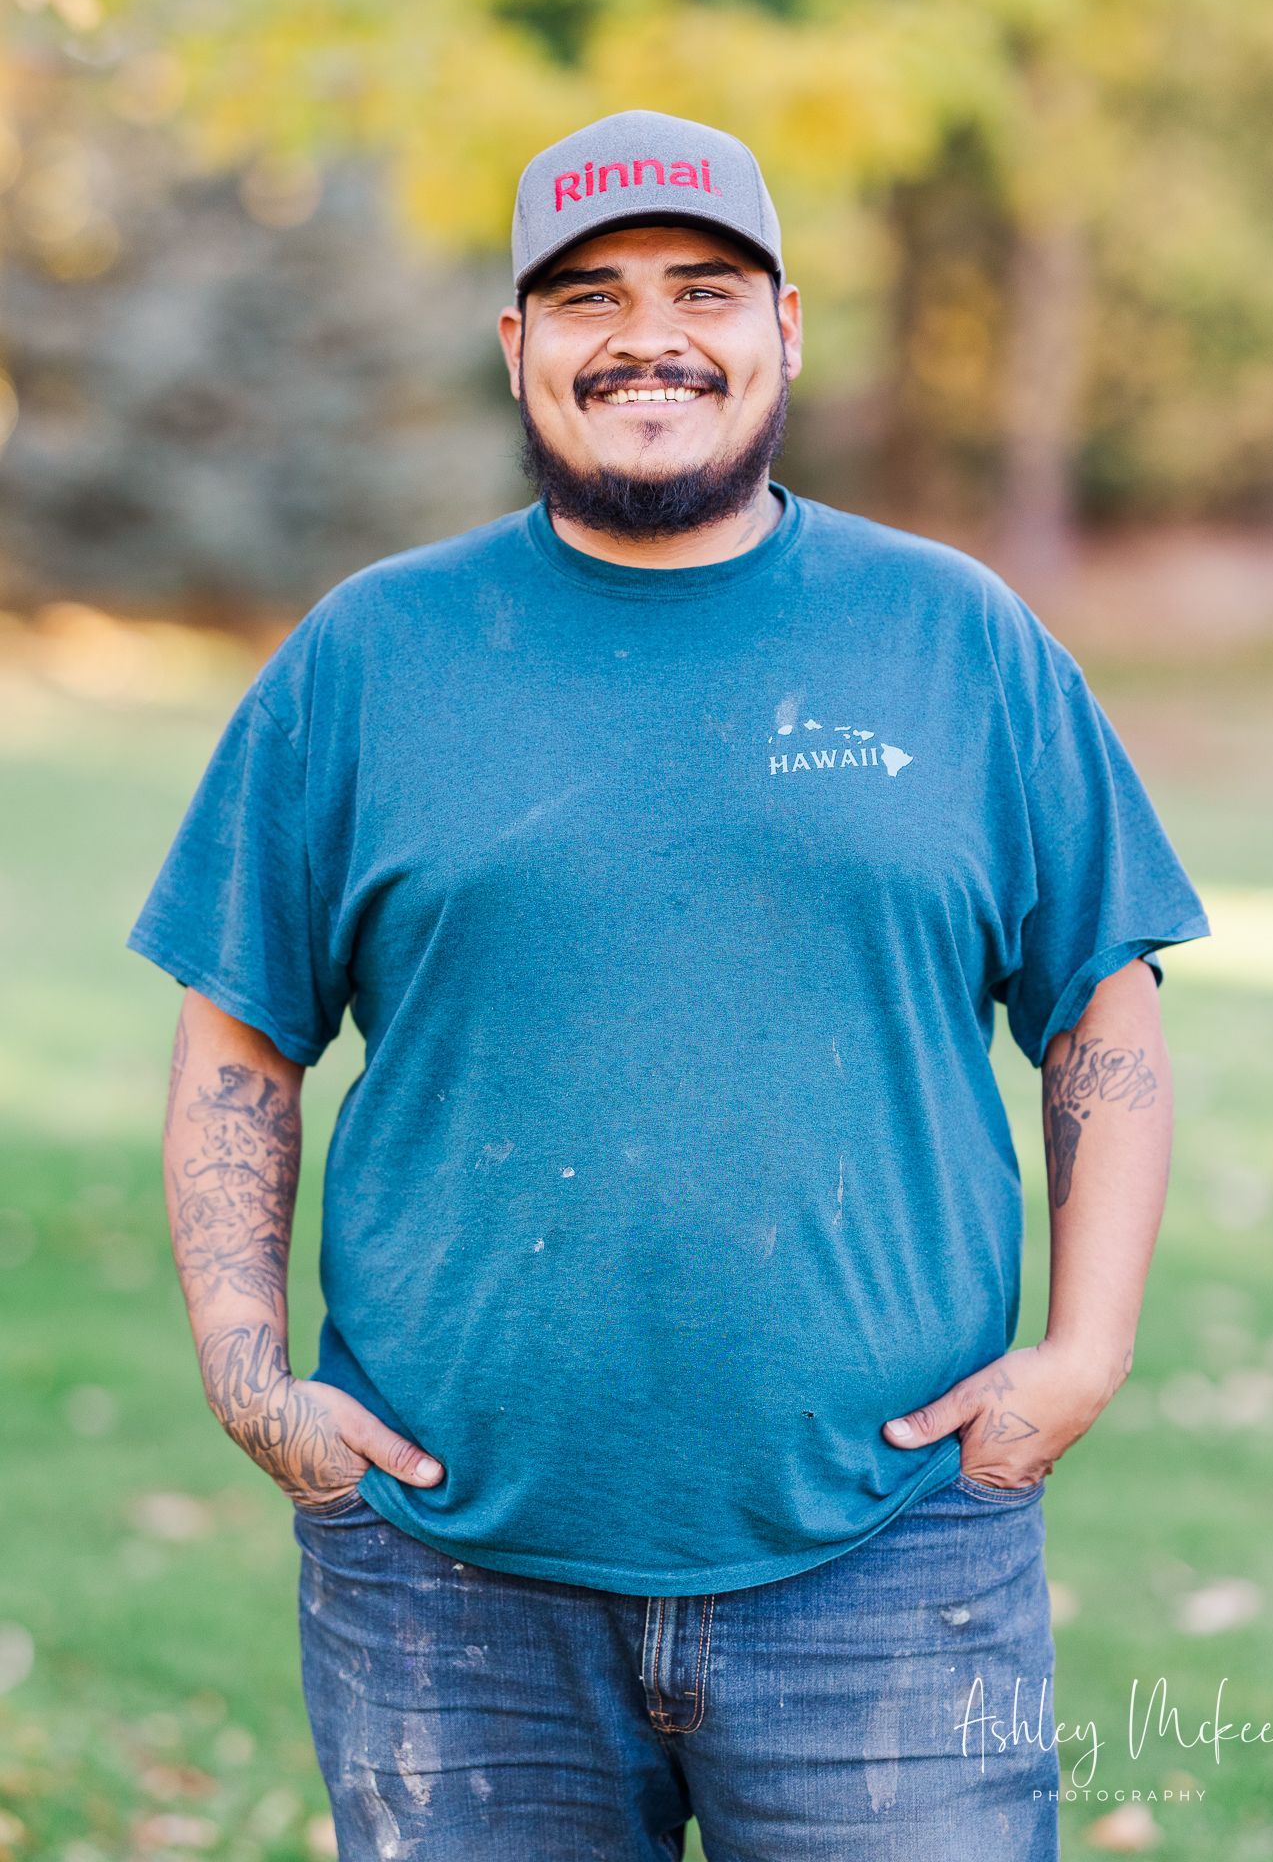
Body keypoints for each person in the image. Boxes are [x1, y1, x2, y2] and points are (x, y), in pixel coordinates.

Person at [127, 109, 1212, 1861]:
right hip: (445, 1581)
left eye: (701, 287)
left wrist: (1080, 1358)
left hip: (890, 1550)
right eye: (585, 296)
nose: (647, 334)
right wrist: (253, 1381)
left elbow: (1100, 1008)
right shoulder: (371, 653)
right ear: (517, 347)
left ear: (783, 326)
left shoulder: (954, 637)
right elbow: (238, 1030)